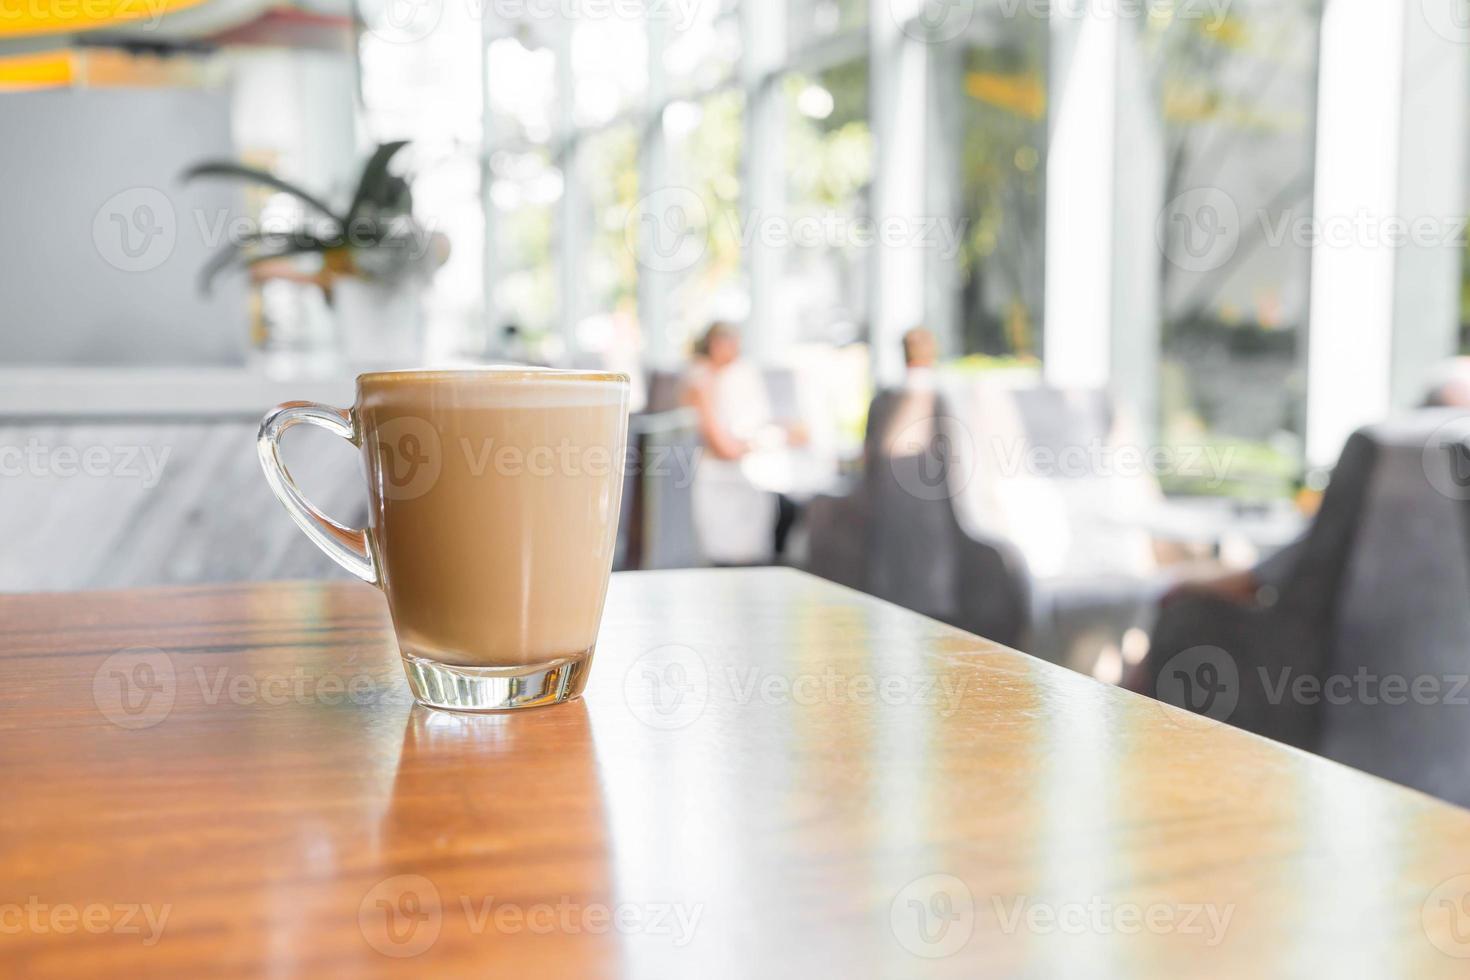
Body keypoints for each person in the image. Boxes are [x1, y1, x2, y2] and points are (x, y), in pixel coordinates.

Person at [682, 322, 803, 563]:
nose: (736, 353)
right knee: (726, 561)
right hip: (718, 483)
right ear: (716, 345)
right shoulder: (701, 381)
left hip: (744, 481)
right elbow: (722, 446)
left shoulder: (736, 376)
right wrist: (767, 440)